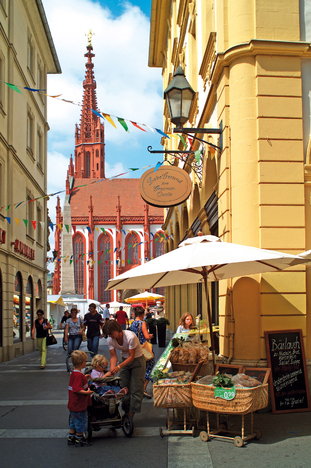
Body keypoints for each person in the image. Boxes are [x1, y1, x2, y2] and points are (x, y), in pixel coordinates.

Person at [106, 319, 146, 420]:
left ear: (117, 329)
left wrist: (118, 367)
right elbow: (113, 357)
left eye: (111, 333)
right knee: (123, 387)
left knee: (136, 388)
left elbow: (131, 357)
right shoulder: (110, 339)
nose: (109, 336)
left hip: (137, 361)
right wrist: (112, 371)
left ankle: (131, 415)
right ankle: (126, 411)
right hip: (124, 361)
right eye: (108, 334)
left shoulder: (130, 337)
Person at [67, 350, 93, 447]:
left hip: (73, 404)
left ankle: (71, 437)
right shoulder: (78, 375)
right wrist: (87, 392)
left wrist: (84, 377)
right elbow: (77, 389)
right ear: (82, 363)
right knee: (81, 421)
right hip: (79, 404)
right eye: (85, 362)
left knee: (73, 421)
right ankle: (79, 439)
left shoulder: (74, 373)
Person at [130, 306, 155, 399]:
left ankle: (137, 389)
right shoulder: (142, 323)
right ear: (142, 314)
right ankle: (143, 389)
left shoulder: (132, 324)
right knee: (149, 367)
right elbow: (146, 336)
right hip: (144, 349)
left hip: (135, 348)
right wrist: (150, 336)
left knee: (139, 369)